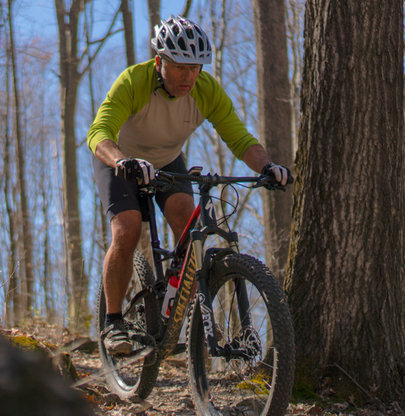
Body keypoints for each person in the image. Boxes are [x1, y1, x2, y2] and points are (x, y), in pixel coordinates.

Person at [87, 15, 291, 355]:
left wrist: (268, 167)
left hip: (166, 161)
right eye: (180, 67)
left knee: (186, 216)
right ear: (159, 62)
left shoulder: (206, 90)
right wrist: (121, 160)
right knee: (127, 229)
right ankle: (113, 322)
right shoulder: (134, 82)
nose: (189, 76)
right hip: (119, 159)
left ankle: (169, 297)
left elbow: (239, 139)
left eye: (196, 67)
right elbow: (99, 132)